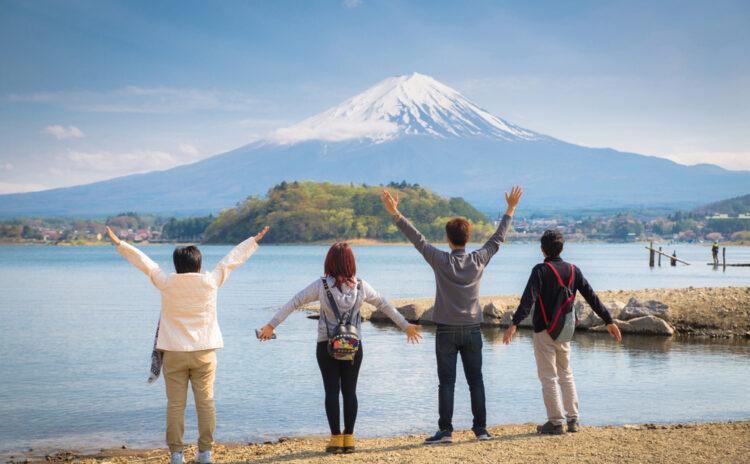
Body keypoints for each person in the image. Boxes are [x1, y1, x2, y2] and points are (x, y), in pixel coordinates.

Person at [106, 225, 269, 464]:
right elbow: (231, 261)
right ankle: (204, 453)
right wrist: (252, 240)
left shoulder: (167, 282)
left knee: (175, 405)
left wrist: (120, 244)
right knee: (206, 403)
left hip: (174, 353)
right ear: (198, 264)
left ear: (177, 265)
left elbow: (145, 263)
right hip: (204, 352)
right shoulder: (210, 282)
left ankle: (176, 455)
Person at [381, 185, 523, 444]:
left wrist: (396, 213)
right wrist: (510, 209)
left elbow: (418, 239)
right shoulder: (479, 259)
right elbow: (497, 239)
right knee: (476, 381)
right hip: (472, 328)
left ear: (448, 239)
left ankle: (445, 431)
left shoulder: (441, 260)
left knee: (446, 382)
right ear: (467, 238)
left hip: (446, 329)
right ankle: (480, 430)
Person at [258, 242, 422, 454]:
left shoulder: (322, 285)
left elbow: (295, 301)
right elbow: (384, 304)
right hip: (354, 347)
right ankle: (349, 438)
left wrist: (272, 325)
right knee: (350, 391)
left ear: (329, 262)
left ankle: (336, 439)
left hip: (326, 345)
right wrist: (405, 326)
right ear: (351, 263)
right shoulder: (362, 286)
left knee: (332, 391)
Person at [502, 229, 622, 435]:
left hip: (543, 330)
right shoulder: (574, 271)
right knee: (566, 374)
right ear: (562, 248)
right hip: (565, 330)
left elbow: (528, 299)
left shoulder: (540, 270)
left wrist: (514, 323)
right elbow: (592, 297)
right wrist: (608, 320)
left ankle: (556, 422)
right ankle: (573, 419)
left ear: (542, 249)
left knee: (548, 377)